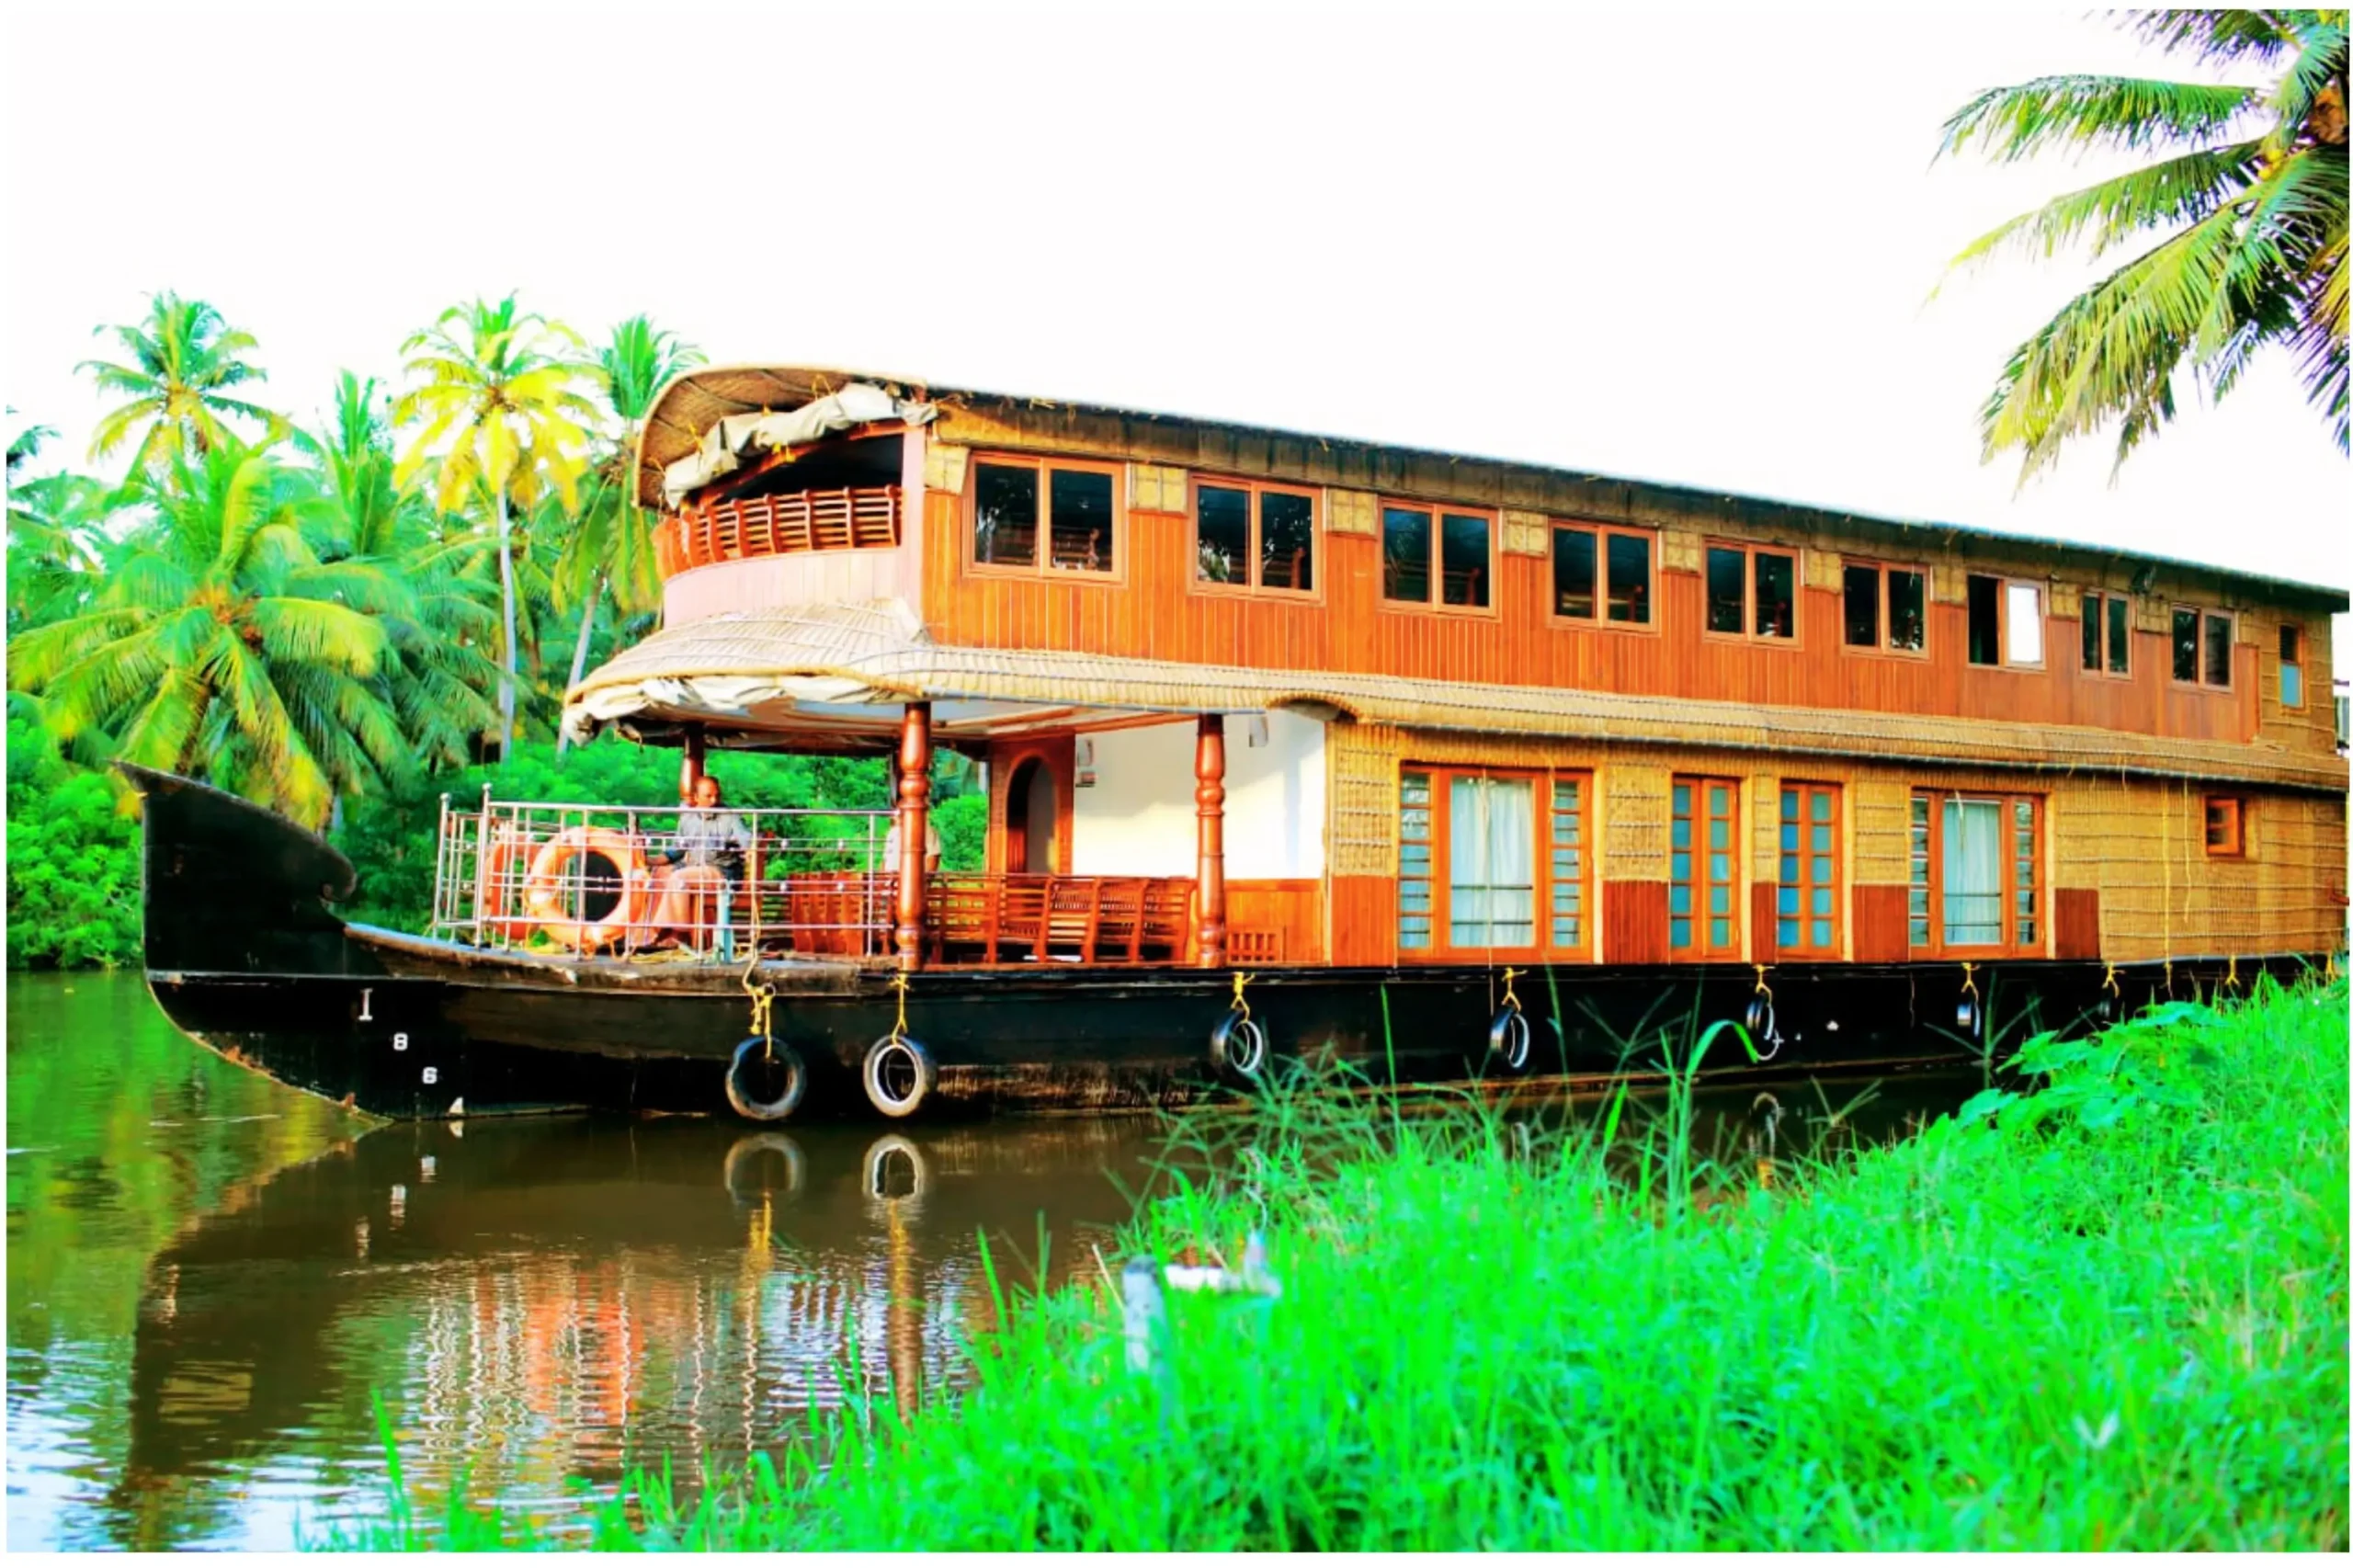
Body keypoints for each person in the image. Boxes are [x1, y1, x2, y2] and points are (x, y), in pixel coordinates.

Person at [650, 773, 754, 950]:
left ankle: (676, 931)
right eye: (708, 796)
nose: (714, 800)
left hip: (722, 871)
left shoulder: (730, 816)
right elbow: (677, 850)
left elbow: (747, 840)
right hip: (696, 869)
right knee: (659, 874)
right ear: (696, 798)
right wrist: (650, 860)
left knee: (680, 878)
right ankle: (655, 933)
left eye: (717, 795)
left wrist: (749, 850)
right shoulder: (687, 818)